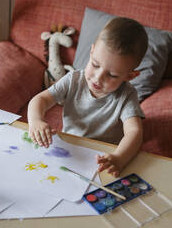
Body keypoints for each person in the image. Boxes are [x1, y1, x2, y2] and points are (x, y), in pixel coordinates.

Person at [27, 17, 148, 177]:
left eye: (111, 75)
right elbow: (40, 100)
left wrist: (119, 158)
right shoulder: (73, 79)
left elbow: (134, 132)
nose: (98, 78)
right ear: (91, 52)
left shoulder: (127, 95)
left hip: (103, 159)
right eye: (95, 64)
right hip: (69, 150)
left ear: (130, 76)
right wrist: (35, 121)